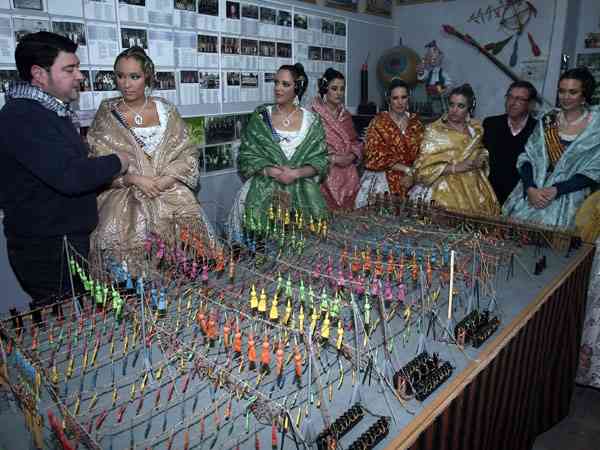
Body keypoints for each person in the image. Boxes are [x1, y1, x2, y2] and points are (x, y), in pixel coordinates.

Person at [0, 32, 128, 307]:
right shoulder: (23, 117)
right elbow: (70, 176)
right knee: (67, 319)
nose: (79, 76)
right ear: (39, 74)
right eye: (69, 69)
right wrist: (118, 161)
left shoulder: (48, 111)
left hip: (64, 241)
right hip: (48, 249)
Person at [88, 47, 215, 271]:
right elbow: (97, 163)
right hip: (124, 202)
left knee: (183, 267)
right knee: (131, 274)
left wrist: (167, 179)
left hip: (171, 194)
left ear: (147, 76)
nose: (126, 84)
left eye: (134, 76)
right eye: (120, 76)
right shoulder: (107, 113)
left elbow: (188, 152)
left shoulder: (166, 110)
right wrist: (133, 179)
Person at [228, 63, 329, 240]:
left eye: (285, 84)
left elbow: (321, 160)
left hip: (302, 194)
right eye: (276, 82)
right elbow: (246, 156)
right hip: (262, 190)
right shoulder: (261, 117)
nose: (278, 88)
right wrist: (274, 172)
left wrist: (295, 173)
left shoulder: (312, 121)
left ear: (297, 87)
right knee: (259, 246)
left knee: (298, 246)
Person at [502, 68, 600, 230]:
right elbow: (528, 157)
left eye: (573, 92)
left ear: (584, 95)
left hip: (573, 199)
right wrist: (530, 188)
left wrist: (557, 190)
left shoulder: (595, 126)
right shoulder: (548, 119)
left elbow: (595, 169)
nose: (565, 97)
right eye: (562, 91)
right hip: (535, 194)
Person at [412, 84, 500, 215]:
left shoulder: (475, 130)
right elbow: (422, 168)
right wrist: (456, 167)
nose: (454, 110)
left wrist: (480, 159)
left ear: (469, 108)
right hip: (442, 189)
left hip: (474, 187)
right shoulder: (434, 131)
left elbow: (481, 151)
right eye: (451, 104)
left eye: (460, 106)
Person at [355, 78, 424, 208]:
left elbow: (424, 153)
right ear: (389, 100)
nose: (400, 102)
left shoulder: (416, 123)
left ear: (408, 98)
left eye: (403, 97)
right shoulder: (379, 122)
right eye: (395, 98)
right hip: (383, 178)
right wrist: (407, 169)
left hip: (413, 178)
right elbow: (374, 156)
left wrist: (413, 174)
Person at [311, 68, 362, 210]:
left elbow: (355, 142)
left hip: (348, 170)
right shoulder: (313, 116)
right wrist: (333, 159)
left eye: (342, 89)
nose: (339, 93)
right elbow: (308, 148)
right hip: (325, 171)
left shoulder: (345, 115)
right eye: (334, 88)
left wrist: (351, 156)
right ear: (325, 89)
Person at [483, 81, 538, 205]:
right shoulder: (491, 124)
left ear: (531, 104)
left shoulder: (537, 130)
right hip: (489, 195)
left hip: (520, 199)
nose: (512, 103)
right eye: (510, 97)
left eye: (519, 99)